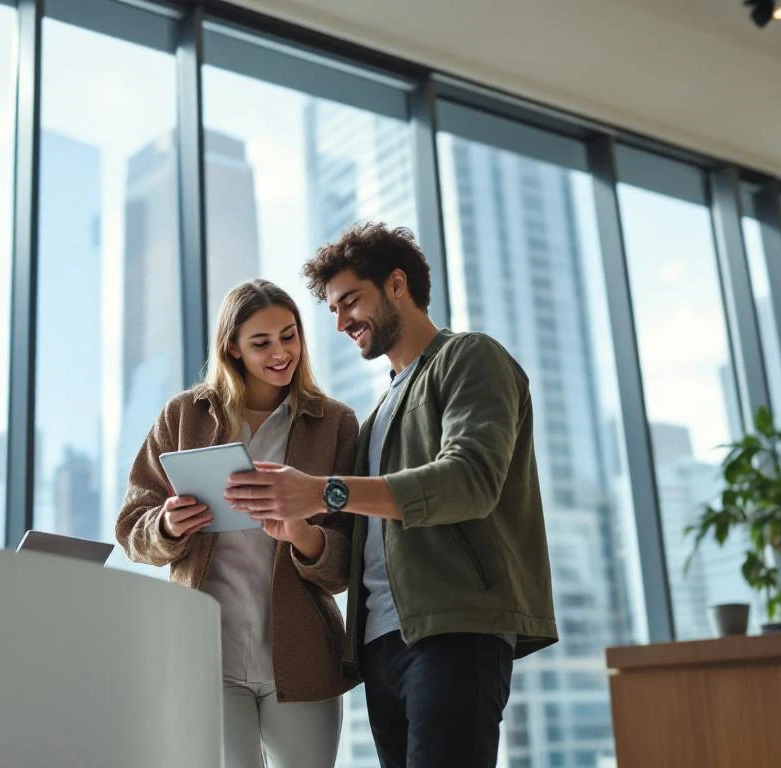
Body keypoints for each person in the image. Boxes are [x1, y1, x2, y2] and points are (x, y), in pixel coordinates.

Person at [224, 223, 558, 768]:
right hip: (379, 644)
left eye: (350, 301)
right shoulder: (377, 414)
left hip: (454, 627)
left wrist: (322, 492)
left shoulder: (470, 358)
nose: (339, 323)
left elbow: (470, 480)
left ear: (397, 284)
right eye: (331, 310)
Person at [116, 279, 359, 768]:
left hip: (302, 656)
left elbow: (348, 559)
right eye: (262, 342)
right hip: (206, 656)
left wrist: (303, 535)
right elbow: (131, 530)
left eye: (289, 336)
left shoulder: (334, 423)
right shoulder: (184, 416)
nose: (281, 353)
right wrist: (166, 526)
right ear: (232, 346)